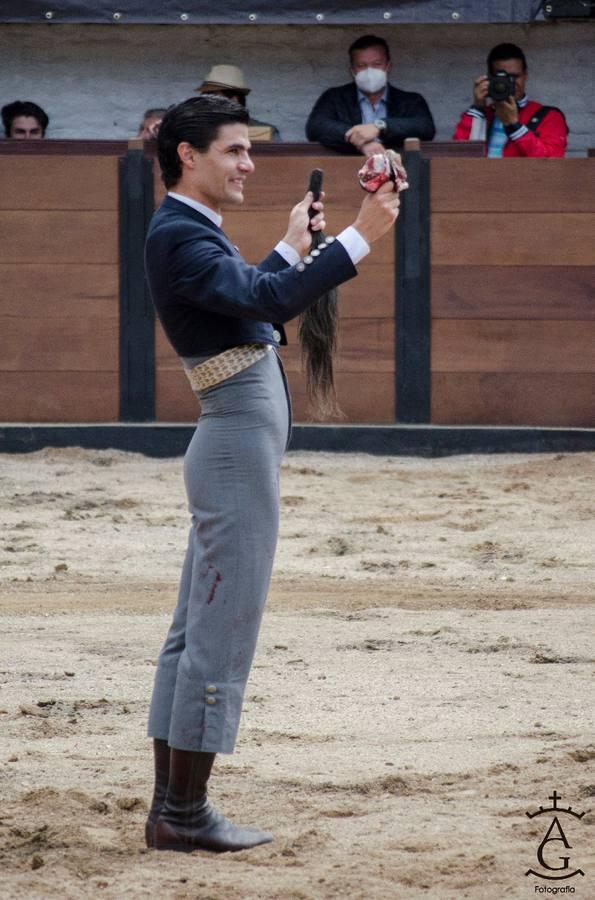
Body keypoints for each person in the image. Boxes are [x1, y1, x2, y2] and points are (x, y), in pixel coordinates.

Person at [143, 94, 401, 854]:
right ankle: (183, 816)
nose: (248, 164)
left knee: (197, 629)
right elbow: (257, 301)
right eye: (234, 151)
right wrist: (359, 238)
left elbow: (245, 303)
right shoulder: (181, 234)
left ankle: (173, 810)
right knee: (218, 628)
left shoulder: (189, 230)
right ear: (188, 156)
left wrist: (292, 248)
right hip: (233, 444)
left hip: (234, 441)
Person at [305, 34, 435, 156]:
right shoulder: (334, 97)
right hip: (348, 171)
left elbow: (425, 127)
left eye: (377, 64)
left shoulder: (410, 101)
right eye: (362, 65)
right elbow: (316, 127)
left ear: (388, 66)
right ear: (352, 71)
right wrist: (360, 141)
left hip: (400, 172)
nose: (369, 71)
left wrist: (381, 127)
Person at [453, 42, 567, 158]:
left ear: (525, 76)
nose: (509, 83)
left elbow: (552, 163)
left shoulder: (548, 116)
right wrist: (478, 108)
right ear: (489, 78)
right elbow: (458, 158)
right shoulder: (482, 115)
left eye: (515, 77)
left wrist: (515, 126)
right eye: (502, 78)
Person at [196, 64, 281, 141]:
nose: (207, 102)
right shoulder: (194, 130)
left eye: (214, 97)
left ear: (234, 99)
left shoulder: (267, 132)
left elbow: (279, 156)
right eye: (206, 96)